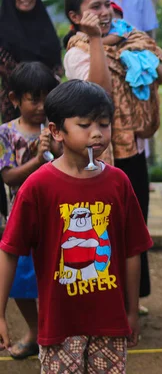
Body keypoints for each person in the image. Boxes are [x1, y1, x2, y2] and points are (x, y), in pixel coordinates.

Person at [0, 80, 154, 372]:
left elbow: (133, 251)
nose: (97, 133)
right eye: (85, 125)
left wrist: (132, 311)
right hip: (59, 323)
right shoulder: (37, 186)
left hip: (110, 321)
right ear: (56, 131)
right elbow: (9, 251)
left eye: (104, 124)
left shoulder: (118, 182)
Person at [63, 0, 162, 312]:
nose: (104, 12)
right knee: (104, 226)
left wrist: (136, 51)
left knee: (134, 222)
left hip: (131, 149)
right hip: (100, 155)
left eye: (106, 4)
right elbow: (100, 94)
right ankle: (109, 295)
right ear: (75, 17)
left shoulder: (128, 39)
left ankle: (132, 298)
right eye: (94, 7)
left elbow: (161, 75)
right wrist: (97, 41)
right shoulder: (77, 52)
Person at [0, 62, 59, 360]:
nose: (40, 106)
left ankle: (53, 332)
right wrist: (38, 159)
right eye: (32, 99)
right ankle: (34, 332)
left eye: (46, 98)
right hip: (20, 220)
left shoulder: (59, 129)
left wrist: (57, 148)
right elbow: (8, 177)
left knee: (57, 277)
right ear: (14, 100)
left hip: (58, 219)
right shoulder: (5, 133)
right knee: (21, 282)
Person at [0, 0, 62, 124]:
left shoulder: (45, 25)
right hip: (17, 105)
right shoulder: (3, 31)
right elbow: (8, 69)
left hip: (50, 103)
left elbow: (58, 65)